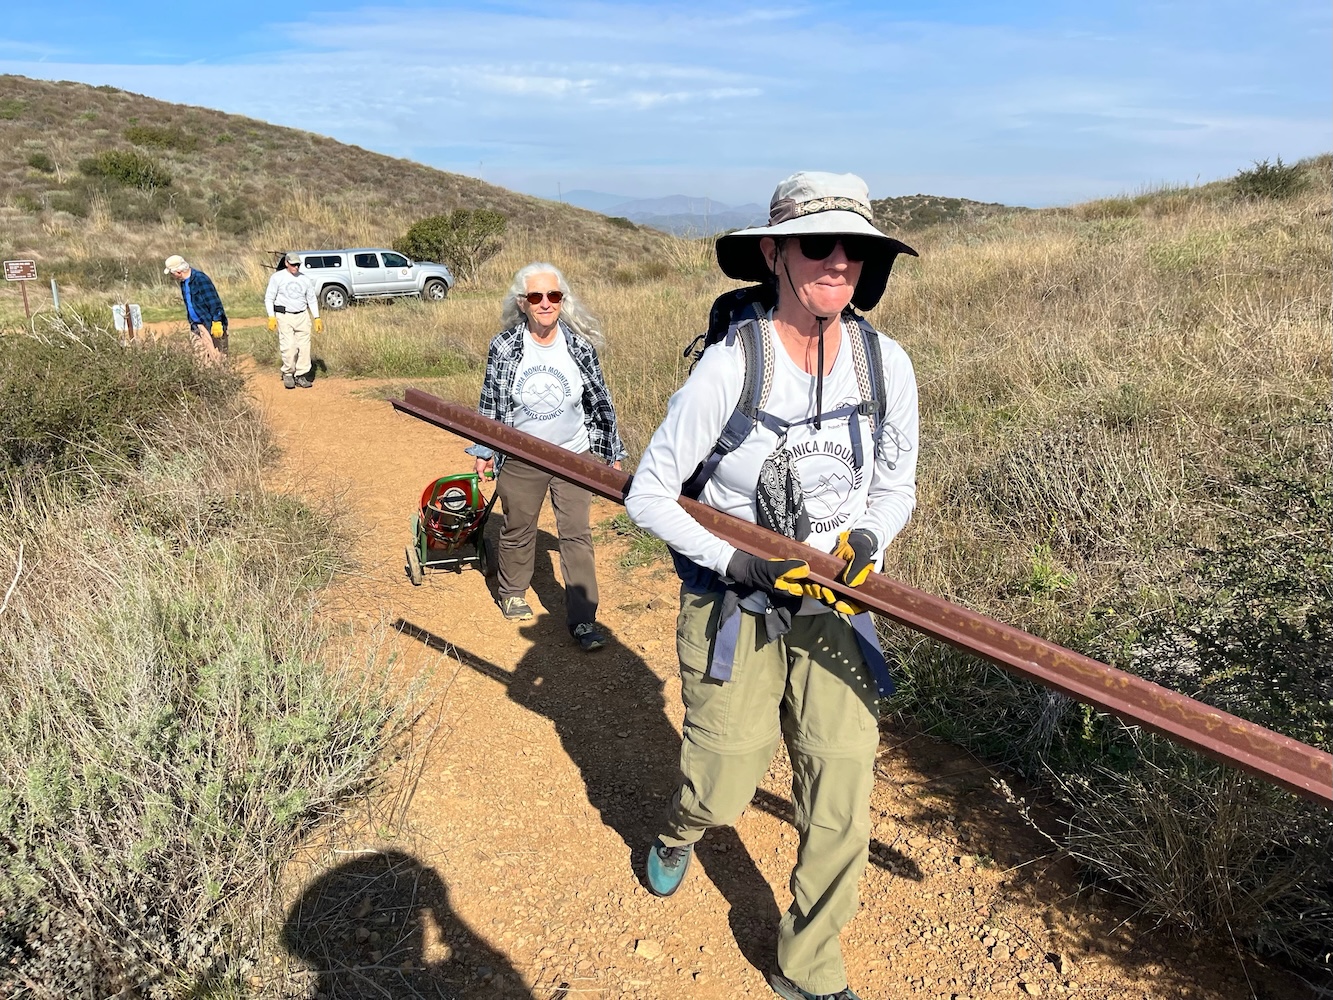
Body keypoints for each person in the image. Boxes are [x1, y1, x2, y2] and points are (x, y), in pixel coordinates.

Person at [624, 171, 920, 1000]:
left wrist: (867, 537)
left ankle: (807, 966)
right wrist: (738, 562)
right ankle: (681, 831)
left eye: (854, 249)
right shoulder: (731, 366)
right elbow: (649, 491)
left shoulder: (884, 363)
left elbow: (896, 481)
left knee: (839, 788)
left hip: (833, 608)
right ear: (772, 253)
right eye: (816, 245)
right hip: (736, 603)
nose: (836, 263)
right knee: (723, 781)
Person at [465, 263, 626, 652]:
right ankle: (513, 591)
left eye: (553, 296)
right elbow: (491, 404)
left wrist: (612, 453)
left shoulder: (579, 346)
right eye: (536, 297)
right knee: (519, 526)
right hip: (522, 456)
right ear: (522, 303)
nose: (545, 304)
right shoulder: (504, 346)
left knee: (577, 533)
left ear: (562, 301)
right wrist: (486, 450)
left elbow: (599, 403)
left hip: (573, 454)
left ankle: (583, 618)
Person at [264, 251, 323, 389]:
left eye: (298, 265)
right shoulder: (277, 278)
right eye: (293, 264)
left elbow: (311, 299)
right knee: (289, 346)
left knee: (304, 347)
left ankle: (301, 375)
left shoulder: (304, 279)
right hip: (284, 315)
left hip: (302, 315)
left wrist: (317, 318)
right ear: (286, 263)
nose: (296, 267)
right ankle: (288, 373)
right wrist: (271, 316)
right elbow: (269, 298)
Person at [164, 254, 227, 364]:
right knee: (201, 361)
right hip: (196, 326)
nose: (172, 276)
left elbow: (214, 302)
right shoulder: (183, 283)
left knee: (218, 360)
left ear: (178, 271)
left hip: (210, 324)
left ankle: (223, 380)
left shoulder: (200, 279)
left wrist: (217, 321)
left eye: (171, 273)